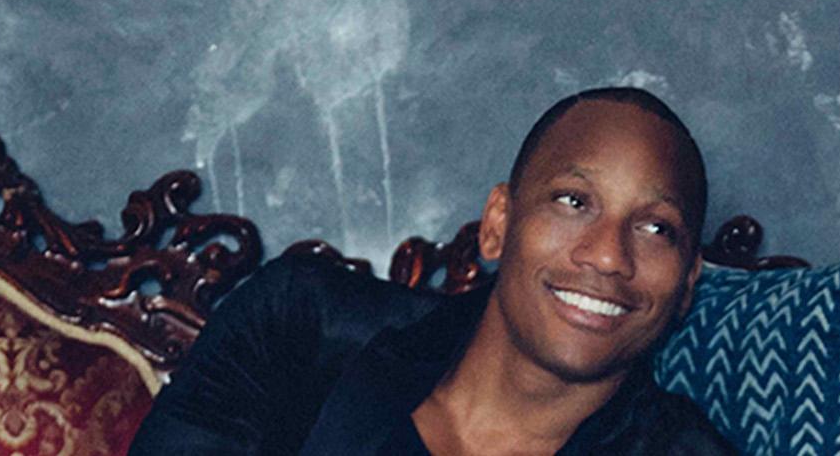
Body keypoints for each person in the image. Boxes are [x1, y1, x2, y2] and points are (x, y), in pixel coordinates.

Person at [130, 88, 734, 455]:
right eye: (573, 202)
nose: (607, 255)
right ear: (498, 221)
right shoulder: (298, 327)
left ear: (685, 285)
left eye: (657, 228)